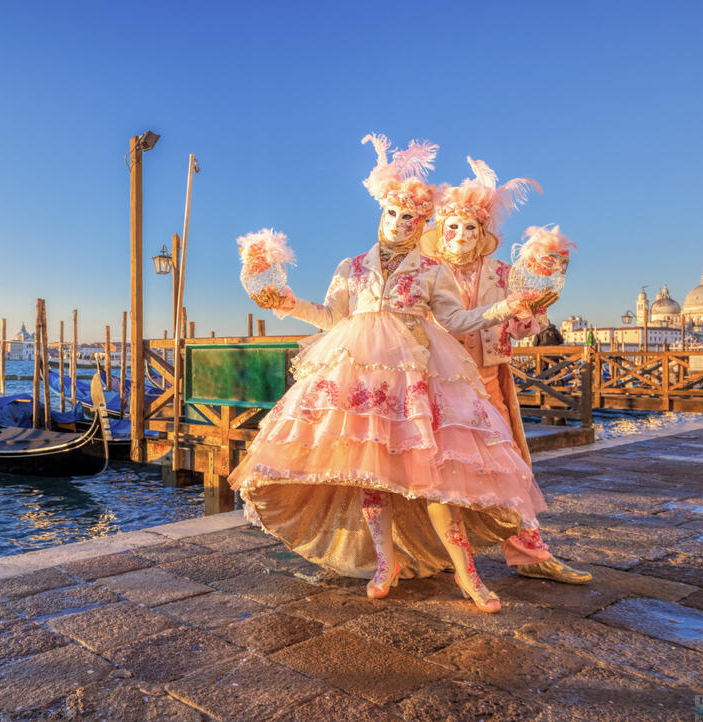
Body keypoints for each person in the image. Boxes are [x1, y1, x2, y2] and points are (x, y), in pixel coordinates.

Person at [230, 136, 553, 613]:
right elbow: (333, 317)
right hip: (362, 379)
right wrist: (287, 304)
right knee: (371, 475)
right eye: (392, 214)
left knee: (436, 475)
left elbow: (456, 321)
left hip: (418, 377)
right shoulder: (351, 266)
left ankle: (468, 574)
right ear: (381, 214)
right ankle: (386, 563)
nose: (399, 224)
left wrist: (507, 306)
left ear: (422, 223)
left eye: (410, 218)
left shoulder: (430, 269)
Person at [422, 169, 590, 584]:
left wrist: (531, 311)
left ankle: (531, 554)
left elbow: (517, 327)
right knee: (437, 468)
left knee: (508, 463)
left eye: (470, 227)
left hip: (490, 375)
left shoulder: (501, 272)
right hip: (438, 380)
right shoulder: (424, 271)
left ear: (482, 233)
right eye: (453, 226)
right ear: (441, 231)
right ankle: (437, 553)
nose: (460, 234)